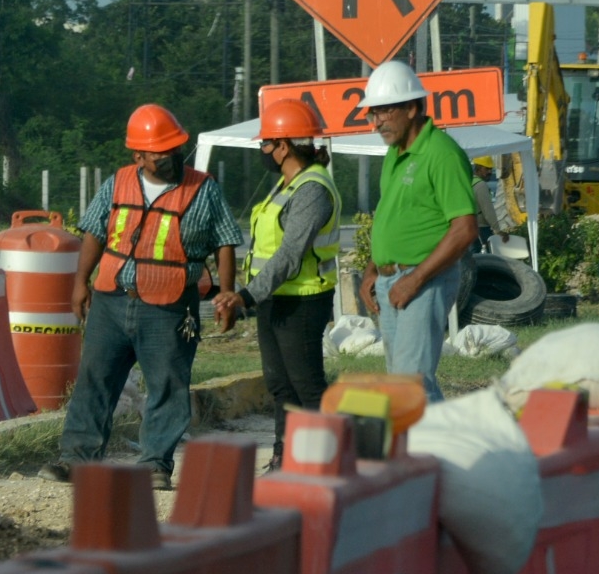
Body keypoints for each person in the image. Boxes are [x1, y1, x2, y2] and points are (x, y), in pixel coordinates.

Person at [39, 104, 243, 491]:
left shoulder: (204, 189)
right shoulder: (117, 183)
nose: (170, 155)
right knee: (94, 380)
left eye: (174, 147)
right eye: (160, 151)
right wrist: (81, 282)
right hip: (112, 299)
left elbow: (225, 242)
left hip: (169, 307)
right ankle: (77, 459)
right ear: (138, 156)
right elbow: (94, 233)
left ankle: (155, 464)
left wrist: (227, 292)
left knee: (167, 385)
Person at [212, 99, 341, 473]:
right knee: (280, 385)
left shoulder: (312, 189)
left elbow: (289, 254)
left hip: (303, 301)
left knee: (308, 386)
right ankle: (285, 457)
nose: (263, 151)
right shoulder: (286, 185)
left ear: (283, 146)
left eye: (265, 144)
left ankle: (328, 461)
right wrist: (249, 295)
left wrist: (245, 295)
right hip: (275, 300)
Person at [358, 60, 478, 403]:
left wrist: (416, 278)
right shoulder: (395, 154)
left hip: (423, 281)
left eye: (383, 111)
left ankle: (431, 453)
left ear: (412, 108)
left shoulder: (441, 153)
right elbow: (391, 217)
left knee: (410, 383)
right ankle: (439, 447)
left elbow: (464, 229)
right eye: (372, 113)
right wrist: (372, 270)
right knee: (405, 382)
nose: (375, 121)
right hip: (391, 282)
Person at [470, 156, 509, 254]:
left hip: (470, 227)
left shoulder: (469, 182)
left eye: (491, 169)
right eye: (487, 169)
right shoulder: (480, 185)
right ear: (478, 169)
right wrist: (498, 231)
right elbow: (488, 211)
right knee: (486, 260)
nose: (489, 172)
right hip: (481, 230)